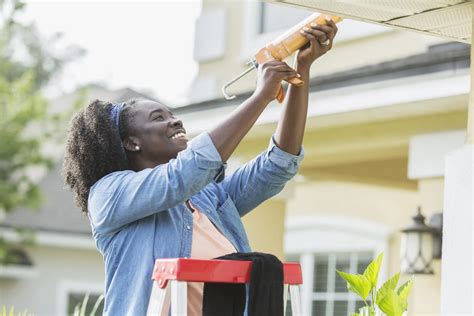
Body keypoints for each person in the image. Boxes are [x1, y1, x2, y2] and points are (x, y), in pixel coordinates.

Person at [63, 20, 337, 315]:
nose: (175, 121)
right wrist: (260, 96)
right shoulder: (109, 195)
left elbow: (276, 166)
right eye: (158, 118)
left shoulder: (209, 199)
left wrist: (302, 71)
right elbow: (187, 171)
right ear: (132, 143)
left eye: (172, 114)